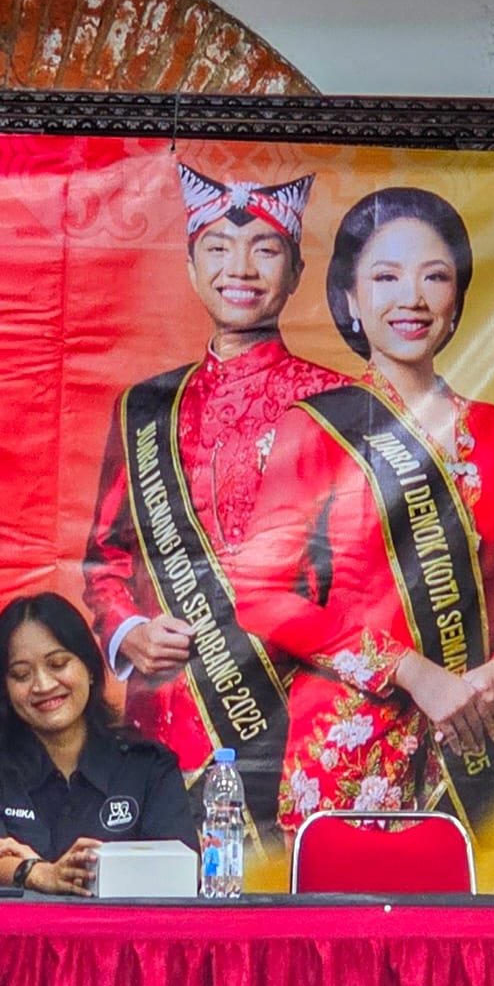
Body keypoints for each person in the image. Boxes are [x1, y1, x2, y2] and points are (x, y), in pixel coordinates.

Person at [233, 186, 494, 836]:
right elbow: (260, 596)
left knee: (466, 906)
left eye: (435, 276)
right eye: (386, 277)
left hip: (464, 750)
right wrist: (411, 672)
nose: (413, 298)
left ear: (456, 298)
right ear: (350, 298)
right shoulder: (316, 427)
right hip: (347, 756)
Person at [83, 161, 345, 847]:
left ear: (296, 270)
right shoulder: (145, 407)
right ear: (192, 267)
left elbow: (370, 569)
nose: (242, 268)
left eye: (265, 249)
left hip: (296, 711)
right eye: (220, 248)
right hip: (166, 712)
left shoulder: (343, 404)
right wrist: (129, 634)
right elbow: (105, 560)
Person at [0, 593, 195, 894]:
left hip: (122, 927)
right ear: (4, 688)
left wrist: (96, 872)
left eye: (58, 664)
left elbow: (180, 874)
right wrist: (38, 874)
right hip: (17, 926)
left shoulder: (149, 766)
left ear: (89, 668)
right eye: (21, 675)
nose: (43, 685)